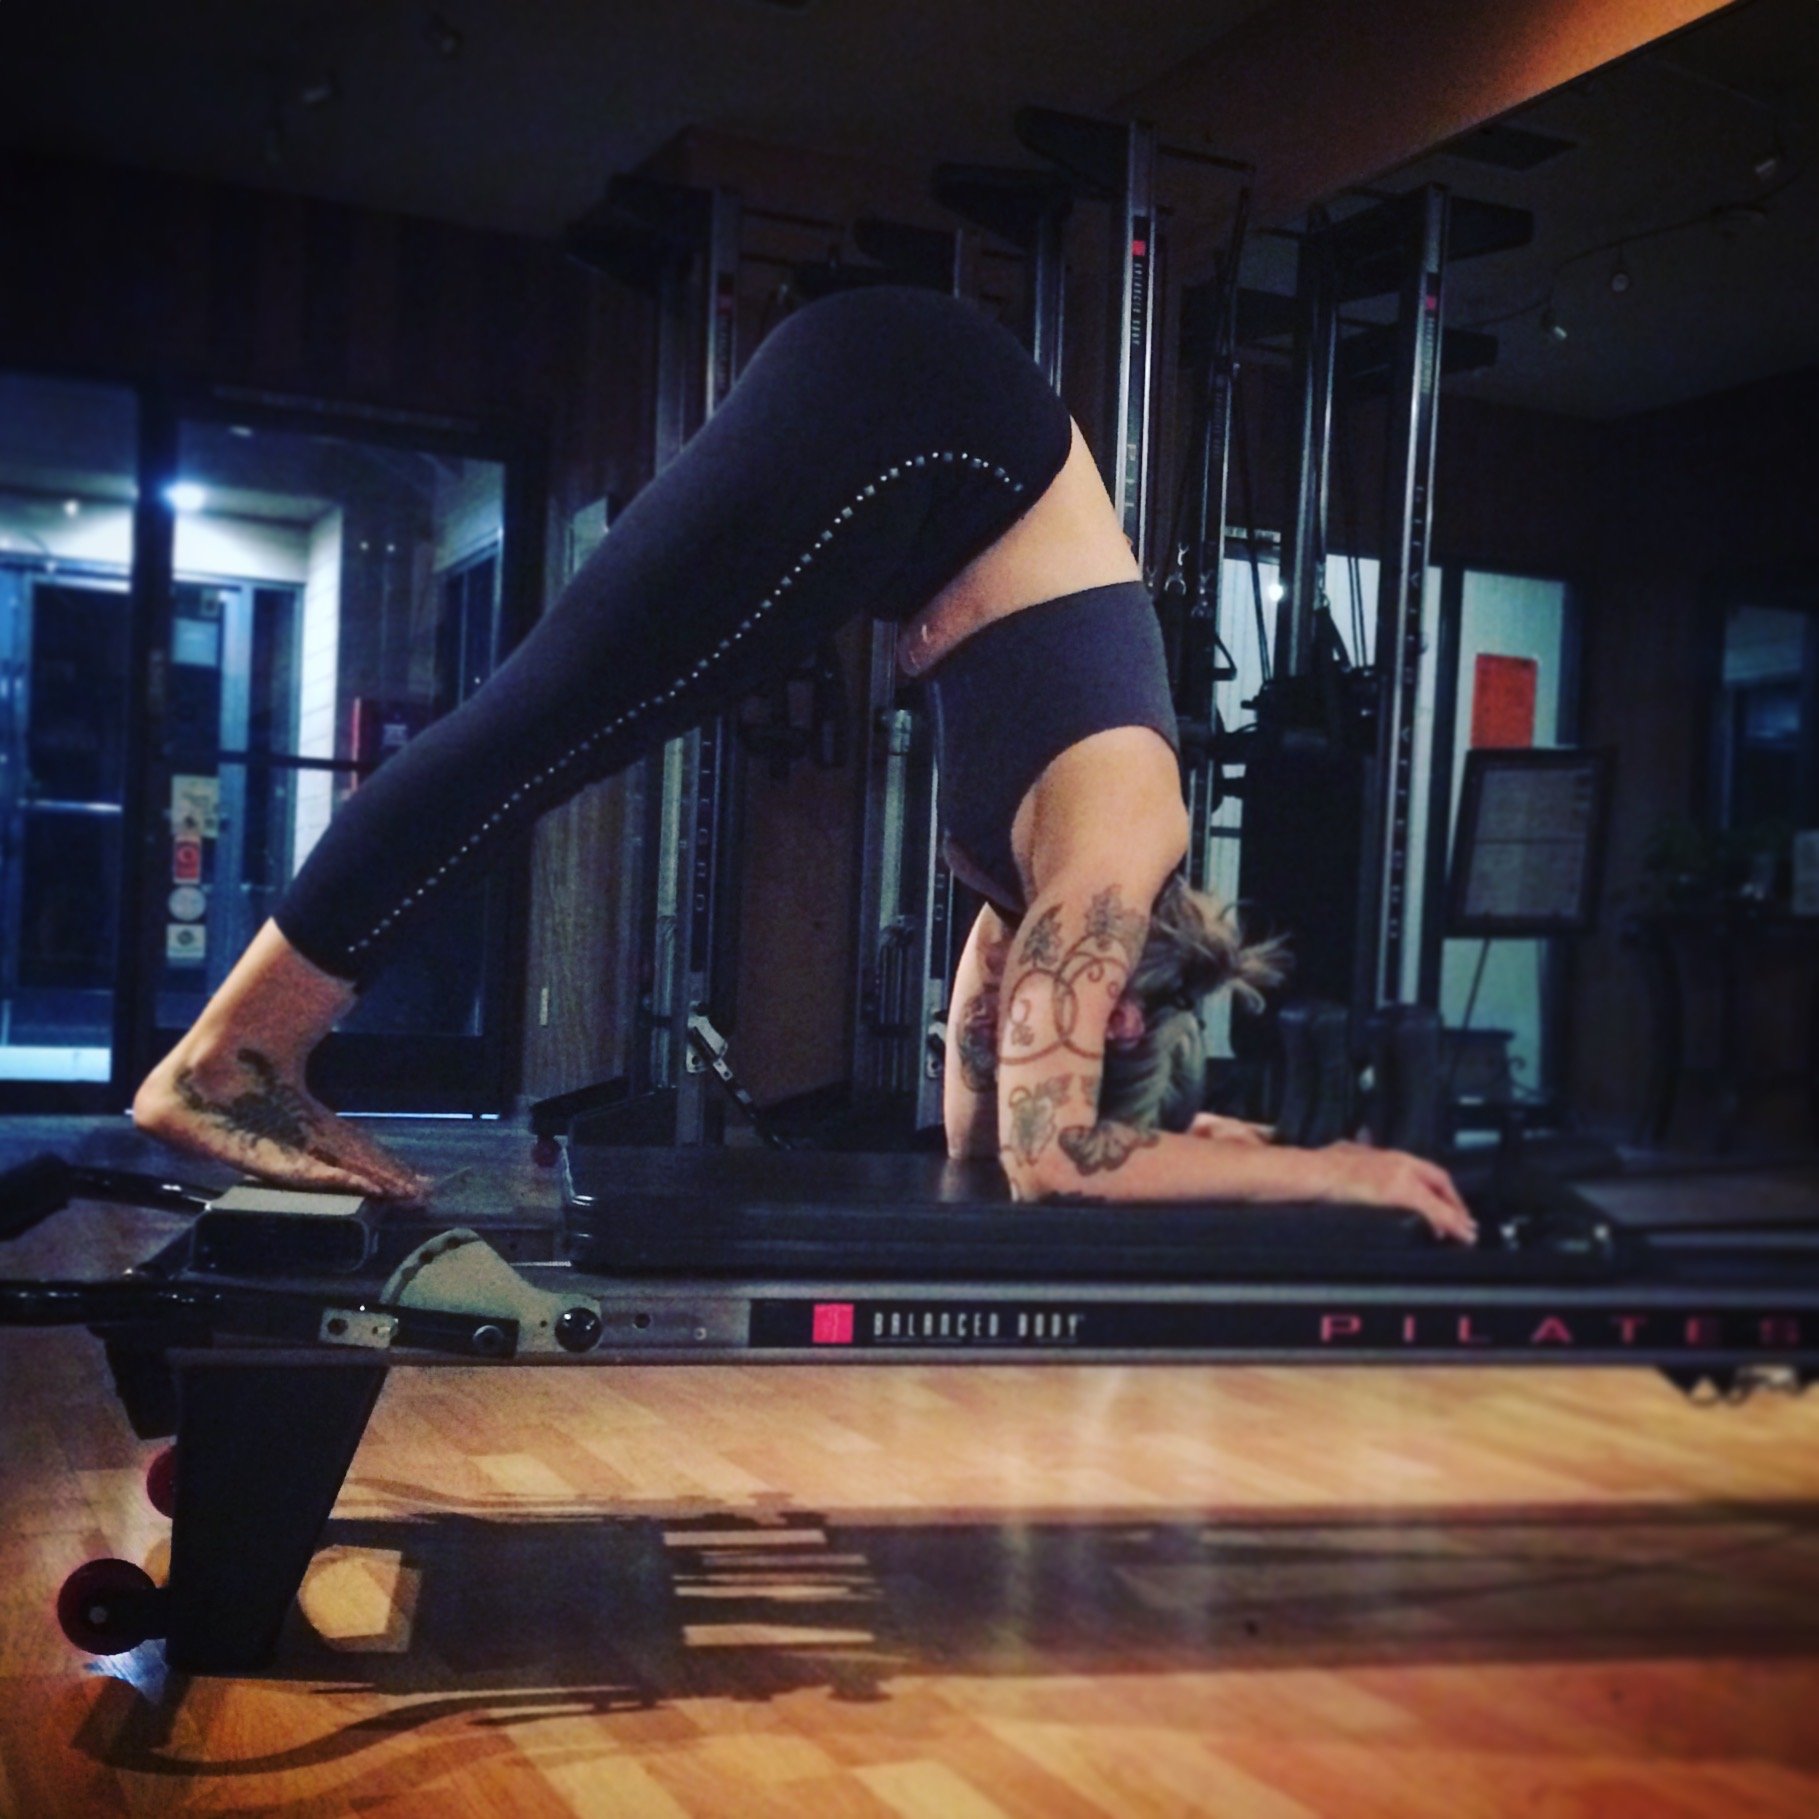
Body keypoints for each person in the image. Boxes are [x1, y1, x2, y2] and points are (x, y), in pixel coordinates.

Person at [132, 286, 1475, 1244]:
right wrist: (1324, 1171)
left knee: (558, 726)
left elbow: (983, 1135)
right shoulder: (1122, 835)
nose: (1052, 1040)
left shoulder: (1037, 885)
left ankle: (244, 1051)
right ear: (1126, 1001)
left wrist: (1187, 1147)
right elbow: (1056, 1154)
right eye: (1109, 1034)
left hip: (905, 413)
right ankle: (234, 1058)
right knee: (548, 723)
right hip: (914, 403)